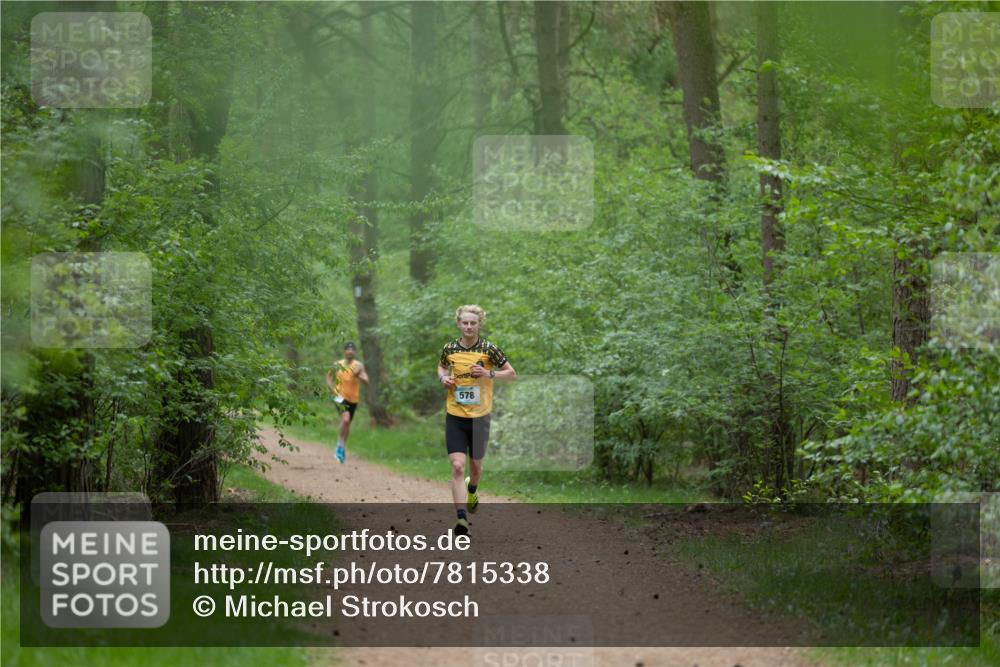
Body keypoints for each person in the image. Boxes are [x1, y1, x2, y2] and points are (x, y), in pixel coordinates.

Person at [437, 305, 516, 535]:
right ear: (459, 324)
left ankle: (473, 489)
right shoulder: (449, 348)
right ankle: (461, 521)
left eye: (473, 323)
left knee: (475, 467)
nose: (469, 327)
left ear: (479, 324)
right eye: (465, 323)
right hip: (455, 415)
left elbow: (511, 374)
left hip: (480, 417)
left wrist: (488, 373)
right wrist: (443, 378)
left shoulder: (489, 349)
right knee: (458, 466)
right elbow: (442, 367)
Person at [325, 342, 369, 463]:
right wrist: (332, 390)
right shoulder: (337, 364)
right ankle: (339, 446)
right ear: (344, 352)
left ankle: (342, 447)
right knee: (345, 419)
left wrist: (360, 377)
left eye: (352, 350)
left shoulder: (358, 365)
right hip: (339, 397)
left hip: (354, 398)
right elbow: (328, 377)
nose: (350, 352)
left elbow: (366, 381)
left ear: (354, 352)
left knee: (347, 423)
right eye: (348, 350)